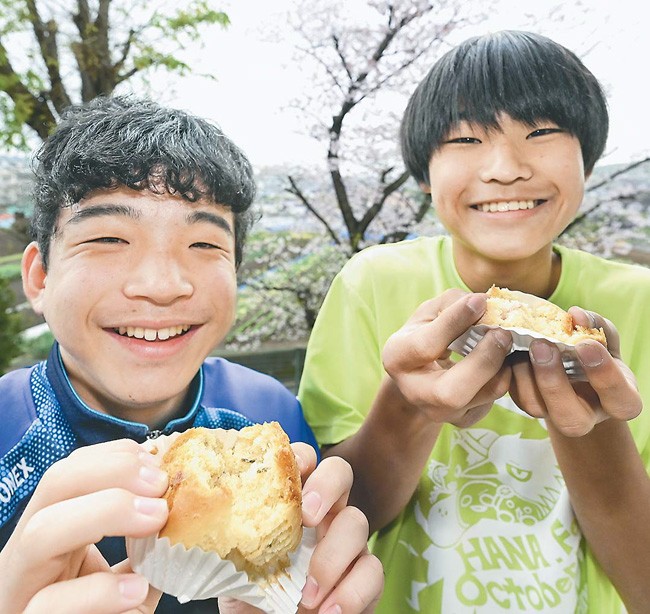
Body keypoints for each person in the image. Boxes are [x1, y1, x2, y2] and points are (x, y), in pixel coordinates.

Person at [298, 30, 650, 614]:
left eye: (540, 133)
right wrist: (408, 406)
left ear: (587, 155)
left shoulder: (638, 301)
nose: (506, 168)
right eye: (464, 139)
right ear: (422, 173)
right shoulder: (371, 285)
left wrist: (592, 428)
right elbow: (332, 515)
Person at [0, 95, 383, 614]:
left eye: (203, 245)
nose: (162, 285)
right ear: (40, 277)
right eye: (110, 237)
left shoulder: (270, 414)